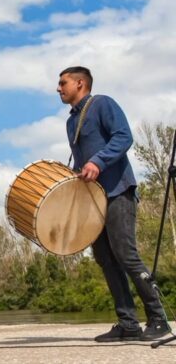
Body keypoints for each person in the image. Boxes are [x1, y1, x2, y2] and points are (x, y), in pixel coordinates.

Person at [57, 66, 171, 342]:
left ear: (80, 83)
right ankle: (128, 323)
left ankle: (158, 318)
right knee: (106, 258)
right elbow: (85, 160)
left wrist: (98, 161)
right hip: (94, 200)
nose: (58, 88)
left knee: (125, 252)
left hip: (118, 190)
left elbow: (123, 137)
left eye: (63, 83)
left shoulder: (102, 104)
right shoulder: (71, 122)